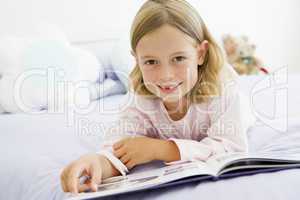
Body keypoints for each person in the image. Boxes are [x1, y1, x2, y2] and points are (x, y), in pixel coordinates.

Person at [60, 0, 254, 194]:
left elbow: (231, 147)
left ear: (200, 54)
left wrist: (161, 149)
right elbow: (119, 150)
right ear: (136, 59)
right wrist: (96, 162)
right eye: (151, 62)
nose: (165, 76)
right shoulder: (139, 100)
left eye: (178, 58)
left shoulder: (222, 88)